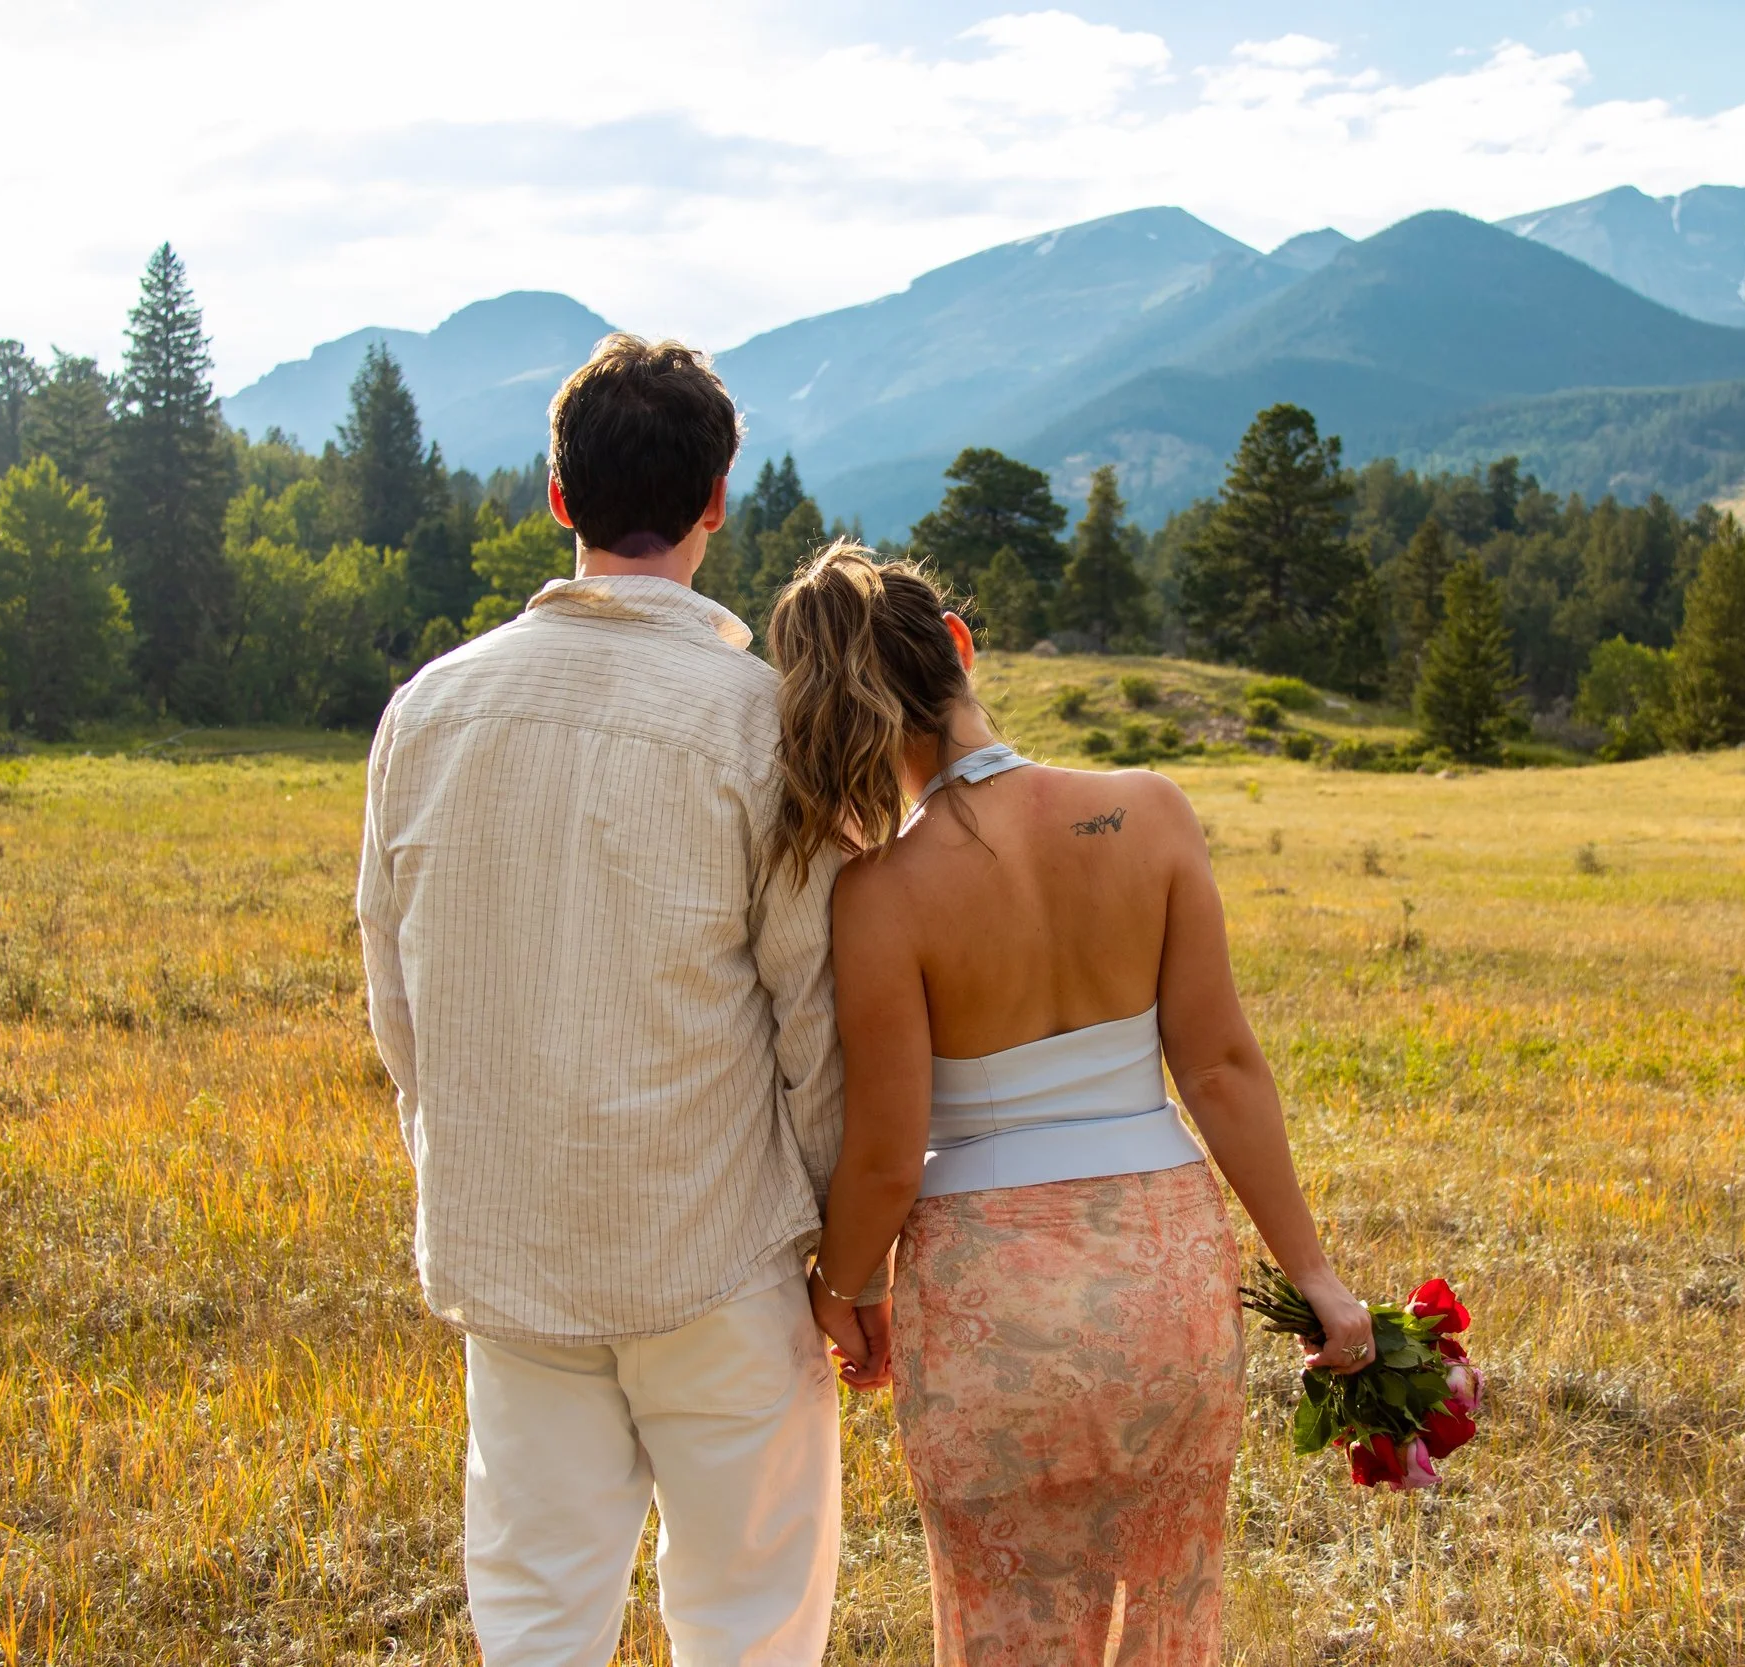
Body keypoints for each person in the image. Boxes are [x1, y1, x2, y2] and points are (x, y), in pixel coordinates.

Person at [356, 335, 875, 1666]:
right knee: (751, 1622)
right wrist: (845, 1245)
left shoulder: (427, 715)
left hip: (513, 1244)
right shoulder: (762, 722)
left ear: (555, 493)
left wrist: (454, 1164)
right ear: (716, 502)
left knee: (535, 1617)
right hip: (718, 1249)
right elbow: (816, 1020)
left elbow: (398, 998)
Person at [766, 545, 1378, 1666]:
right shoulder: (1146, 812)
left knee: (1004, 1622)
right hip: (1165, 1279)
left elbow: (889, 1154)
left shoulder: (878, 895)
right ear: (956, 642)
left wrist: (838, 1286)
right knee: (1167, 1605)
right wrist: (1316, 1274)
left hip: (990, 1292)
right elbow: (1222, 1070)